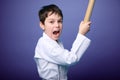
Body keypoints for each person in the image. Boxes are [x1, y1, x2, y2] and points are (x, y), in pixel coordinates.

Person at [34, 4, 91, 80]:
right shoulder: (45, 44)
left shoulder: (56, 42)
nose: (57, 25)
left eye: (60, 21)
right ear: (42, 25)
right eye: (51, 22)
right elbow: (70, 59)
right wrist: (81, 34)